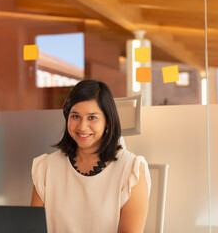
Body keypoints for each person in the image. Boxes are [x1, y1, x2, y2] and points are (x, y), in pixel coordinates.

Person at [30, 80, 151, 233]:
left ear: (107, 121)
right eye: (75, 116)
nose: (82, 126)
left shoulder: (131, 171)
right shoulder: (46, 167)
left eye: (92, 117)